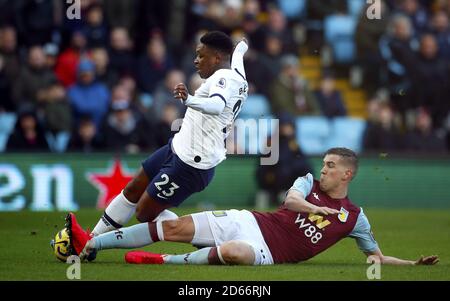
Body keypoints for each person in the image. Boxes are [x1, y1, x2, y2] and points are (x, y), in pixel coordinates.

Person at [66, 147, 439, 266]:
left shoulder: (355, 218)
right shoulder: (306, 184)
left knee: (236, 253)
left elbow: (375, 257)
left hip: (265, 251)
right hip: (250, 220)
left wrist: (412, 265)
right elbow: (289, 200)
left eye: (330, 166)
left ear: (347, 175)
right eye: (323, 164)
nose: (322, 169)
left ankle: (160, 261)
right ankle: (91, 243)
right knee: (174, 227)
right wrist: (313, 209)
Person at [65, 31, 249, 260]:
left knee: (144, 213)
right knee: (133, 187)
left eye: (201, 56)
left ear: (217, 58)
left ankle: (205, 237)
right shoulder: (237, 76)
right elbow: (238, 57)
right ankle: (90, 240)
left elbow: (216, 105)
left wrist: (189, 99)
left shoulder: (222, 79)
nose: (195, 60)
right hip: (179, 147)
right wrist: (241, 47)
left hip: (191, 164)